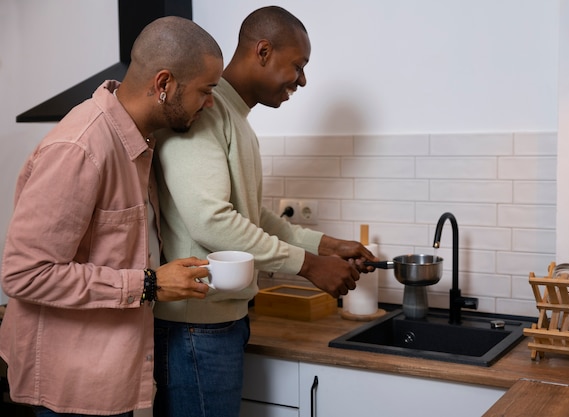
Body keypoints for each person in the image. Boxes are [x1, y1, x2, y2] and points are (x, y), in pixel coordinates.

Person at [153, 6, 377, 417]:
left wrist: (327, 245)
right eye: (298, 65)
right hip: (195, 326)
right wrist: (309, 265)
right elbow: (212, 221)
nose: (303, 80)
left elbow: (249, 216)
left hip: (218, 322)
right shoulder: (204, 110)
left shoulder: (233, 115)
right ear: (262, 51)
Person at [0, 16, 223, 417]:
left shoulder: (138, 141)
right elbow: (24, 273)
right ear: (164, 84)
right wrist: (150, 284)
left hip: (106, 377)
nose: (210, 104)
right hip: (68, 385)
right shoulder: (81, 148)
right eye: (205, 91)